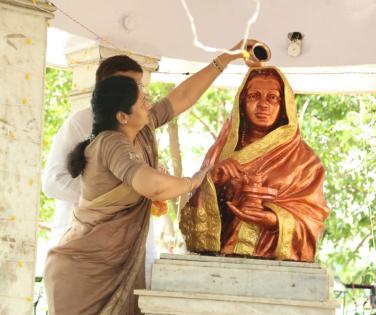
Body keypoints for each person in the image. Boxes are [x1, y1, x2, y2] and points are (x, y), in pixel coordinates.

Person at [44, 41, 255, 314]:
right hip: (88, 271)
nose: (149, 100)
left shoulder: (136, 128)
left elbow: (182, 97)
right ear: (119, 109)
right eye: (139, 95)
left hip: (121, 260)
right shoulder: (111, 141)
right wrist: (193, 181)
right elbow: (151, 185)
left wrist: (225, 58)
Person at [180, 67, 330, 262]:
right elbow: (193, 214)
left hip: (274, 265)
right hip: (222, 260)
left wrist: (273, 220)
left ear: (284, 105)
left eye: (273, 98)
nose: (263, 105)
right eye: (254, 96)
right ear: (242, 103)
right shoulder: (221, 152)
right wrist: (212, 182)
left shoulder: (305, 161)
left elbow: (313, 219)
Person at [42, 55, 161, 287]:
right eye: (127, 86)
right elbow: (52, 181)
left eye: (138, 87)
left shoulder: (143, 128)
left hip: (130, 244)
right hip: (83, 249)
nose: (134, 94)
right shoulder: (80, 121)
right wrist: (107, 194)